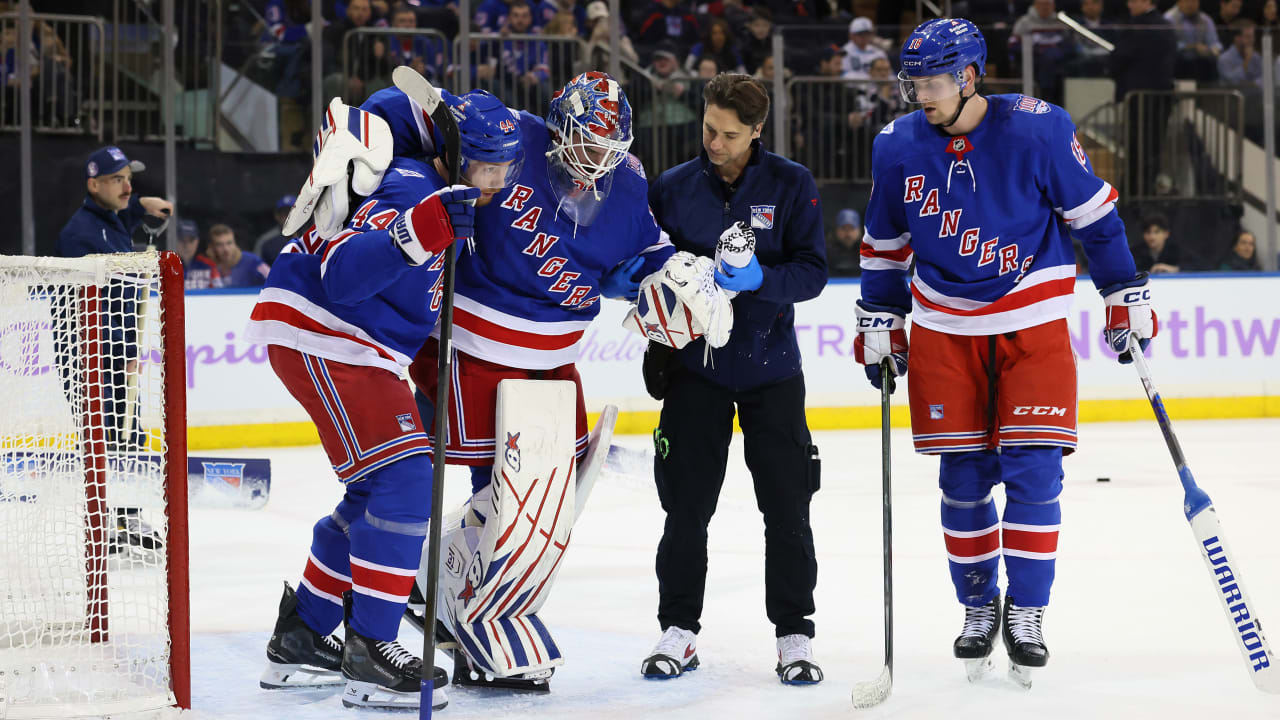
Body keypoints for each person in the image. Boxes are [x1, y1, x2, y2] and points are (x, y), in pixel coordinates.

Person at [291, 71, 680, 692]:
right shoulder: (507, 133)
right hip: (463, 347)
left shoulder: (627, 185)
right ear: (556, 128)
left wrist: (677, 276)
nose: (594, 161)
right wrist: (352, 136)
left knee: (533, 500)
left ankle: (429, 593)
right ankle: (417, 603)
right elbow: (406, 111)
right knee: (407, 486)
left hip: (554, 361)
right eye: (584, 143)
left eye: (608, 149)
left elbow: (651, 251)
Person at [855, 19, 1157, 684]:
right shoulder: (897, 145)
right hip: (944, 330)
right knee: (961, 483)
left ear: (969, 76)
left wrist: (1123, 294)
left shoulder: (1038, 128)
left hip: (1033, 322)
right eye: (914, 84)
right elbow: (884, 244)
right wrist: (881, 312)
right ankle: (976, 607)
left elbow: (1095, 221)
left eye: (932, 82)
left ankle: (1027, 610)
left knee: (1034, 472)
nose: (921, 96)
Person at [245, 89, 508, 712]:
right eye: (484, 165)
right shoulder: (414, 187)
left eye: (506, 168)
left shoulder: (445, 194)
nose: (495, 181)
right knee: (407, 482)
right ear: (453, 155)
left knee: (373, 492)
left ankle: (303, 634)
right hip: (327, 330)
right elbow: (342, 274)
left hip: (352, 344)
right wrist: (417, 233)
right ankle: (371, 651)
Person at [643, 72, 828, 685]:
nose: (714, 143)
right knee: (686, 509)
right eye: (707, 129)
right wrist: (651, 315)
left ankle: (795, 635)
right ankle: (678, 630)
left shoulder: (792, 184)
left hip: (773, 373)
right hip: (696, 374)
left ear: (756, 131)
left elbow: (813, 273)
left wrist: (759, 282)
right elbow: (649, 266)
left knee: (787, 508)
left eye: (728, 134)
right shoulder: (672, 186)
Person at [55, 146, 174, 556]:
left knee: (128, 433)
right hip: (88, 356)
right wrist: (112, 352)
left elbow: (125, 211)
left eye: (129, 178)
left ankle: (123, 514)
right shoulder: (80, 235)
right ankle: (106, 517)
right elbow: (90, 306)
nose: (127, 187)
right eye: (117, 180)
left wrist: (142, 204)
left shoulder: (109, 219)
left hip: (115, 353)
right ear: (93, 185)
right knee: (105, 436)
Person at [1111, 0, 1175, 197]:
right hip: (1162, 98)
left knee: (1136, 150)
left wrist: (1112, 70)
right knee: (1153, 149)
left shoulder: (1137, 26)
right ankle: (1146, 194)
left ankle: (1133, 196)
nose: (1129, 4)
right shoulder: (1166, 26)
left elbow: (1118, 59)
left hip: (1139, 99)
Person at [176, 219, 222, 289]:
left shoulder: (208, 265)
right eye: (182, 240)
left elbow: (220, 294)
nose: (187, 245)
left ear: (197, 242)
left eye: (191, 241)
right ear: (175, 241)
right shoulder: (165, 267)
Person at [253, 195, 297, 266]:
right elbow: (257, 268)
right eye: (285, 214)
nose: (289, 217)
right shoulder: (265, 241)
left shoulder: (311, 235)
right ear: (277, 216)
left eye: (292, 212)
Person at [1217, 19, 1262, 87]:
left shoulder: (1255, 56)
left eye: (1253, 36)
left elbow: (1264, 78)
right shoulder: (1224, 59)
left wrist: (1254, 84)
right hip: (1234, 96)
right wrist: (1246, 62)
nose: (1252, 40)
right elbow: (1232, 82)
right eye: (1248, 37)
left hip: (1256, 95)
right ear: (1237, 38)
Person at [826, 207, 863, 277]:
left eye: (852, 228)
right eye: (844, 229)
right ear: (836, 230)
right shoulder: (825, 252)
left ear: (859, 230)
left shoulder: (866, 252)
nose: (848, 234)